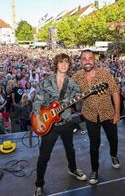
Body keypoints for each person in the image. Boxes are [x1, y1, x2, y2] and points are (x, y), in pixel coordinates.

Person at [33, 53, 86, 196]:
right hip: (49, 125)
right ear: (56, 64)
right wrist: (38, 118)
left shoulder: (72, 83)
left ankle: (73, 169)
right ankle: (39, 184)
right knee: (44, 156)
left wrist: (83, 99)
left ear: (69, 65)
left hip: (67, 122)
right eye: (61, 62)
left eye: (66, 62)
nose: (64, 65)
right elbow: (37, 100)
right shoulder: (46, 82)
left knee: (70, 149)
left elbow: (80, 105)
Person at [72, 49, 121, 185]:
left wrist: (117, 113)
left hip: (108, 113)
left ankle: (114, 155)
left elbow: (115, 93)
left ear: (94, 60)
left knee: (113, 139)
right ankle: (94, 170)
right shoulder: (77, 77)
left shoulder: (104, 74)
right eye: (84, 58)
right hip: (90, 115)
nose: (87, 61)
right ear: (81, 61)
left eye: (90, 58)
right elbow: (68, 91)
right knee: (94, 145)